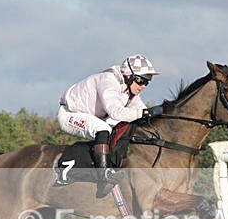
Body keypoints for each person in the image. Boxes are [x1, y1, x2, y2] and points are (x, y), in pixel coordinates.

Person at [57, 54, 164, 197]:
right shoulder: (108, 81)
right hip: (69, 114)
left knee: (121, 127)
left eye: (147, 83)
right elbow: (116, 112)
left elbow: (141, 112)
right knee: (103, 129)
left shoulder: (129, 90)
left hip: (93, 116)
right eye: (140, 81)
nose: (143, 86)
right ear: (129, 75)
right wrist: (145, 113)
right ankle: (103, 176)